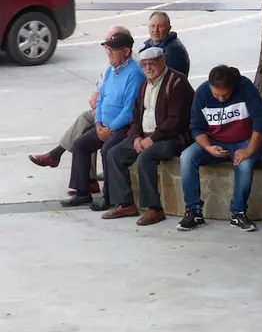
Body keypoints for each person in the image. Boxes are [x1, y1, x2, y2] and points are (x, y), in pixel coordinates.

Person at [29, 25, 131, 195]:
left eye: (110, 45)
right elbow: (101, 87)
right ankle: (85, 181)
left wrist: (105, 123)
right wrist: (98, 110)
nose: (107, 48)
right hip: (103, 113)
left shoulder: (128, 65)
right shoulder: (112, 63)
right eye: (106, 45)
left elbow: (128, 107)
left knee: (85, 123)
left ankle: (59, 157)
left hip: (117, 121)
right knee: (86, 129)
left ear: (123, 47)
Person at [102, 47, 194, 226]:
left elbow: (176, 120)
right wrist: (136, 137)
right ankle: (126, 203)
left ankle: (154, 208)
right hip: (145, 135)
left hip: (172, 138)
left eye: (152, 63)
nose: (148, 67)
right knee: (114, 153)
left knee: (146, 156)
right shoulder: (145, 84)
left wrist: (152, 139)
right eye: (144, 64)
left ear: (162, 61)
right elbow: (135, 116)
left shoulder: (177, 82)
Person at [177, 65, 262, 232]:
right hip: (215, 142)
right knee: (186, 157)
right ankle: (194, 212)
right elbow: (196, 127)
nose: (220, 99)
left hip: (244, 142)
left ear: (233, 86)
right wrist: (208, 147)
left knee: (245, 164)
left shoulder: (245, 87)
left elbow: (261, 120)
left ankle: (238, 213)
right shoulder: (202, 92)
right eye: (216, 95)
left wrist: (249, 149)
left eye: (225, 95)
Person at [61, 32, 145, 210]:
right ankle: (82, 192)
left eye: (113, 50)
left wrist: (111, 129)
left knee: (107, 149)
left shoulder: (135, 74)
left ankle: (108, 197)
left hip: (122, 127)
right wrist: (98, 123)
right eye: (108, 49)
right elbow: (100, 99)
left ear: (126, 52)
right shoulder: (109, 70)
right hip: (104, 125)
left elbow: (129, 110)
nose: (109, 53)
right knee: (80, 144)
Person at [139, 11, 191, 78]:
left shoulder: (174, 50)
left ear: (169, 28)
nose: (155, 30)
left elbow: (167, 78)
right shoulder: (147, 45)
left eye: (160, 26)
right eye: (152, 26)